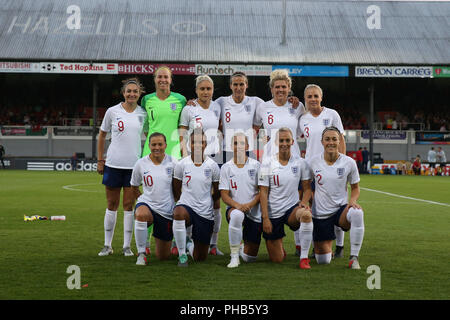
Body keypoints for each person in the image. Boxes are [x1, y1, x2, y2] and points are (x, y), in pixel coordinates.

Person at [97, 78, 148, 257]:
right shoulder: (112, 112)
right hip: (113, 164)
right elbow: (102, 135)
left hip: (133, 167)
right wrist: (100, 160)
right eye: (129, 91)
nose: (132, 94)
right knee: (111, 204)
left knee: (128, 205)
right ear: (123, 93)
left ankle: (127, 246)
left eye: (135, 91)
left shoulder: (143, 113)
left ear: (139, 93)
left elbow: (149, 137)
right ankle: (107, 245)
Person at [140, 66, 187, 255]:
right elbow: (145, 127)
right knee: (149, 196)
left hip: (174, 153)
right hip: (151, 153)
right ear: (154, 79)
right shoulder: (147, 100)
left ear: (171, 79)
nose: (162, 80)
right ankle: (146, 243)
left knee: (177, 196)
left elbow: (183, 126)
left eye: (166, 77)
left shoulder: (181, 100)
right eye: (159, 77)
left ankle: (178, 240)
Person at [297, 84, 346, 258]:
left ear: (321, 98)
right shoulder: (302, 119)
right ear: (305, 99)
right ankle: (316, 244)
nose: (312, 99)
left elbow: (340, 140)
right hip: (310, 169)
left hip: (332, 168)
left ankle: (339, 246)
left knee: (335, 206)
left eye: (315, 96)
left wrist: (342, 166)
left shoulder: (332, 114)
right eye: (309, 97)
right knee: (313, 209)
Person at [306, 126, 365, 269]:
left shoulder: (349, 162)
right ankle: (327, 248)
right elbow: (307, 186)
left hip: (341, 211)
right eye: (327, 139)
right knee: (323, 260)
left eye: (334, 139)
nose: (331, 142)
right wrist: (306, 202)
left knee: (357, 213)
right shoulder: (313, 162)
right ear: (322, 142)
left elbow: (355, 188)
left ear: (339, 142)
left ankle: (354, 258)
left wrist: (352, 201)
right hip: (321, 214)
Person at [178, 74, 224, 256]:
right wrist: (185, 156)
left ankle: (214, 244)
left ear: (213, 90)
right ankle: (186, 239)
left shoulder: (217, 107)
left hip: (214, 160)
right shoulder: (189, 109)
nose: (205, 92)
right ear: (196, 90)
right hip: (193, 159)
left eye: (208, 88)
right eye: (202, 89)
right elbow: (182, 133)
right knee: (190, 199)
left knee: (215, 202)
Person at [258, 128, 313, 269]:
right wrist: (265, 218)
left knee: (306, 215)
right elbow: (263, 192)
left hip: (292, 209)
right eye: (281, 140)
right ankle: (279, 246)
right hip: (273, 213)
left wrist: (303, 203)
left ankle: (304, 258)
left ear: (292, 142)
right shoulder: (266, 163)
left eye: (287, 140)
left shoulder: (301, 163)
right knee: (277, 259)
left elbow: (307, 189)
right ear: (276, 142)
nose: (284, 143)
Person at [172, 128, 221, 267]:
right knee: (178, 213)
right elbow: (176, 188)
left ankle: (188, 244)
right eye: (194, 142)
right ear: (189, 144)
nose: (198, 145)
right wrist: (182, 201)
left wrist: (209, 201)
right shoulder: (182, 164)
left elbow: (218, 191)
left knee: (200, 257)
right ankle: (182, 255)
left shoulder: (213, 166)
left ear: (206, 145)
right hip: (187, 207)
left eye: (202, 142)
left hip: (205, 212)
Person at [130, 132, 178, 265]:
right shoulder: (141, 163)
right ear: (149, 146)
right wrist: (143, 200)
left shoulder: (174, 162)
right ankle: (141, 254)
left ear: (165, 145)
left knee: (163, 257)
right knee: (141, 214)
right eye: (154, 144)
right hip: (148, 206)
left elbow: (179, 187)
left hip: (166, 211)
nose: (157, 147)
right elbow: (134, 186)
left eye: (160, 144)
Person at [219, 132, 261, 268]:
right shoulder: (226, 167)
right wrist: (237, 205)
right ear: (232, 146)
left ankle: (243, 248)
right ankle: (234, 257)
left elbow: (262, 191)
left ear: (248, 146)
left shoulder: (256, 165)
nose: (239, 146)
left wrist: (249, 205)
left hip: (253, 210)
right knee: (237, 215)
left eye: (242, 143)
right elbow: (224, 194)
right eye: (236, 143)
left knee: (250, 258)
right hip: (234, 209)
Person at [254, 69, 306, 160]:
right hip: (270, 158)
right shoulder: (262, 107)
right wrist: (263, 137)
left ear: (289, 88)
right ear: (272, 89)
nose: (280, 90)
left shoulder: (298, 106)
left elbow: (302, 130)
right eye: (277, 87)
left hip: (293, 158)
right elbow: (254, 128)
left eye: (283, 87)